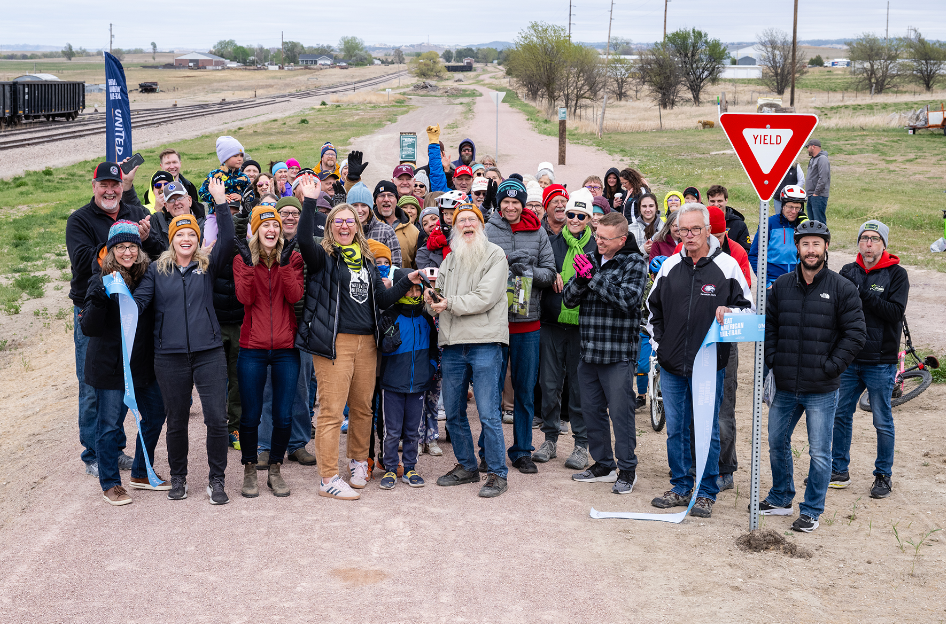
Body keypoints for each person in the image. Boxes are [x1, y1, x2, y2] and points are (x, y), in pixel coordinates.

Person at [294, 178, 422, 501]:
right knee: (332, 412)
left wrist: (409, 280)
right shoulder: (323, 258)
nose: (344, 225)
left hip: (368, 343)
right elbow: (303, 242)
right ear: (330, 227)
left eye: (350, 221)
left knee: (363, 408)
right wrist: (310, 200)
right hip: (335, 344)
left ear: (358, 227)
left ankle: (357, 463)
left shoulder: (366, 261)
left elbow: (382, 299)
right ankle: (327, 477)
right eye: (338, 221)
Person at [133, 178, 237, 504]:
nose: (186, 238)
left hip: (208, 352)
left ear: (198, 237)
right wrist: (116, 298)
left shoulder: (207, 266)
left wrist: (220, 203)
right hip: (170, 356)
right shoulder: (156, 271)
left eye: (192, 233)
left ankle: (216, 480)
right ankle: (179, 477)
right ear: (172, 239)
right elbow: (138, 305)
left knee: (216, 419)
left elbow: (230, 239)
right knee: (176, 420)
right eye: (180, 234)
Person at [647, 203, 753, 517]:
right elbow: (653, 312)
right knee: (677, 429)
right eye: (683, 230)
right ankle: (681, 486)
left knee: (707, 428)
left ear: (708, 231)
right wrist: (661, 346)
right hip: (672, 366)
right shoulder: (668, 267)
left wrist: (731, 313)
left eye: (696, 229)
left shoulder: (728, 267)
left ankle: (706, 491)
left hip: (709, 367)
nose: (689, 235)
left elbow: (748, 312)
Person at [762, 220, 866, 532]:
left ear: (826, 248)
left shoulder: (842, 288)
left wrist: (832, 366)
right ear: (797, 247)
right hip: (785, 385)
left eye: (816, 244)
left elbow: (856, 334)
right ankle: (781, 497)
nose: (811, 250)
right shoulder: (781, 286)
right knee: (776, 441)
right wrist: (773, 360)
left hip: (821, 387)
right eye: (805, 244)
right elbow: (770, 327)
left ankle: (811, 510)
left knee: (821, 453)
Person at [66, 160, 163, 477]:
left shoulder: (134, 213)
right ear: (94, 186)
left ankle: (114, 446)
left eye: (115, 185)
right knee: (94, 384)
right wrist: (119, 240)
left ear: (122, 187)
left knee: (127, 380)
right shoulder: (79, 220)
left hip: (133, 308)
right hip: (94, 308)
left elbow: (156, 255)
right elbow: (83, 262)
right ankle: (93, 452)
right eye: (104, 185)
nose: (110, 190)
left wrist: (144, 239)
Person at [80, 222, 169, 505]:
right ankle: (110, 483)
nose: (127, 252)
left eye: (132, 246)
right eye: (120, 247)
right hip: (109, 366)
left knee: (156, 412)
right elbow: (90, 329)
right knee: (109, 425)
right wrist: (97, 300)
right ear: (111, 250)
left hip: (140, 364)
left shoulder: (147, 276)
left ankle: (141, 472)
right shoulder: (100, 280)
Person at [427, 202, 510, 498]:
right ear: (455, 228)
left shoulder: (495, 255)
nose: (466, 224)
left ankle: (498, 473)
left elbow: (485, 298)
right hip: (452, 344)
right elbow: (440, 300)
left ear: (481, 225)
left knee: (488, 413)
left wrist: (448, 303)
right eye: (460, 220)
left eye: (471, 219)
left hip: (485, 343)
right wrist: (432, 297)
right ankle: (467, 466)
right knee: (454, 413)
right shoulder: (450, 260)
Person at [563, 211, 647, 494]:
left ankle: (627, 469)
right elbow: (569, 300)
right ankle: (603, 464)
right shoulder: (592, 257)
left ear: (622, 240)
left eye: (604, 239)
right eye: (597, 236)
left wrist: (594, 278)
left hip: (618, 353)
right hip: (588, 351)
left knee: (621, 415)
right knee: (591, 411)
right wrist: (581, 279)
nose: (598, 242)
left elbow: (628, 300)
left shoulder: (634, 262)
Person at [484, 178, 557, 475]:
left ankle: (522, 450)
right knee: (491, 393)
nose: (511, 207)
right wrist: (505, 261)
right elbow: (479, 269)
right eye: (506, 202)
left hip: (528, 322)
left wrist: (529, 270)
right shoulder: (488, 230)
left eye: (516, 202)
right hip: (495, 323)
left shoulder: (538, 232)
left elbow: (550, 273)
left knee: (525, 390)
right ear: (499, 204)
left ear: (523, 204)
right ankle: (488, 451)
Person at [233, 204, 305, 498]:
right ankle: (250, 470)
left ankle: (275, 469)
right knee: (250, 416)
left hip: (286, 348)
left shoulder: (294, 258)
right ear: (256, 230)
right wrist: (250, 268)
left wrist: (286, 265)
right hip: (252, 347)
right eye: (265, 226)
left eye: (275, 226)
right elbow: (244, 297)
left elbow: (295, 295)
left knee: (283, 415)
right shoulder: (242, 260)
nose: (272, 230)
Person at [834, 220, 909, 499]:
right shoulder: (847, 271)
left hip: (881, 360)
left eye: (874, 239)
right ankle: (838, 469)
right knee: (840, 414)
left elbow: (894, 312)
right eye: (864, 238)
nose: (868, 244)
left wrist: (861, 293)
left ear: (884, 244)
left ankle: (883, 475)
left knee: (882, 420)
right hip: (849, 359)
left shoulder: (897, 274)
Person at [255, 195, 321, 469]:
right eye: (285, 214)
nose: (291, 217)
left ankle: (297, 443)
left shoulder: (310, 246)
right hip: (273, 328)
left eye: (296, 213)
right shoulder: (264, 249)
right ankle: (266, 445)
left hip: (302, 327)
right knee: (268, 388)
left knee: (300, 389)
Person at [535, 188, 596, 470]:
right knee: (549, 384)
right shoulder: (551, 242)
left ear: (589, 218)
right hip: (550, 321)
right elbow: (540, 271)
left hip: (582, 326)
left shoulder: (596, 246)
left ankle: (582, 444)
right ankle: (549, 438)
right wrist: (551, 276)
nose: (572, 219)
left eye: (579, 215)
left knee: (579, 386)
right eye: (570, 213)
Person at [377, 268, 440, 490]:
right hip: (393, 383)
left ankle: (411, 467)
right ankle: (391, 468)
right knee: (392, 431)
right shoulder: (390, 315)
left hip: (419, 384)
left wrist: (430, 369)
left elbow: (433, 347)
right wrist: (388, 343)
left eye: (417, 290)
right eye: (410, 289)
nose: (413, 294)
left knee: (413, 431)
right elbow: (379, 349)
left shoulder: (426, 317)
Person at [749, 185, 808, 288]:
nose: (793, 211)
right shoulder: (769, 224)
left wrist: (807, 228)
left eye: (797, 208)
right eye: (790, 207)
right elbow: (754, 255)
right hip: (772, 282)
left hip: (797, 283)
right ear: (783, 206)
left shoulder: (803, 225)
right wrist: (766, 283)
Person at [347, 182, 402, 267]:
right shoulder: (343, 230)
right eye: (355, 205)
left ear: (370, 208)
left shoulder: (386, 231)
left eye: (364, 205)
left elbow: (396, 265)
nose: (359, 210)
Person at [144, 149, 203, 216]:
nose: (172, 167)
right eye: (167, 163)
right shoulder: (151, 193)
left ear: (180, 164)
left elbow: (196, 210)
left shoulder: (189, 186)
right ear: (161, 166)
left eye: (174, 162)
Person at [374, 180, 418, 268]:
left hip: (402, 280)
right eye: (381, 195)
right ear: (375, 201)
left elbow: (416, 266)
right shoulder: (366, 227)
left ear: (396, 200)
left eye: (390, 195)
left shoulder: (414, 231)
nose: (386, 199)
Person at [148, 181, 206, 245]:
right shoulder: (158, 222)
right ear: (166, 206)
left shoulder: (206, 223)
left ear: (189, 200)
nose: (176, 203)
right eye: (171, 200)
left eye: (180, 197)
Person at [198, 136, 249, 208]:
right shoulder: (214, 175)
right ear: (225, 158)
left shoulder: (244, 177)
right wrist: (217, 198)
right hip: (217, 214)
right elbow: (202, 193)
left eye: (241, 156)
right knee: (210, 220)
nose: (240, 159)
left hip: (239, 214)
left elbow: (251, 194)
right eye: (235, 156)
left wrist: (242, 197)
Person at [705, 185, 751, 253]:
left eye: (719, 201)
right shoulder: (702, 222)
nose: (716, 204)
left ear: (726, 200)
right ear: (708, 201)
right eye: (712, 201)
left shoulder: (739, 225)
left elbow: (746, 251)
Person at [805, 139, 830, 224]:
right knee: (812, 223)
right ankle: (813, 237)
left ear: (813, 146)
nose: (807, 150)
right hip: (811, 195)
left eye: (808, 147)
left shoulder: (822, 159)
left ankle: (823, 237)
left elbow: (823, 177)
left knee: (819, 222)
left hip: (818, 196)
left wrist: (816, 193)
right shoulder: (813, 159)